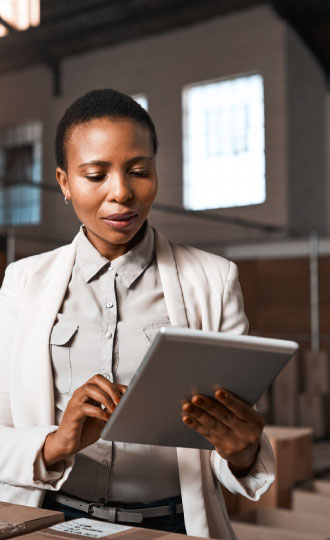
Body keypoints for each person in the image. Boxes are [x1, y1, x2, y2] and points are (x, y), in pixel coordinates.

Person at [0, 89, 274, 540]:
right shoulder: (24, 281)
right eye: (95, 174)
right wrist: (57, 443)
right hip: (53, 520)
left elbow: (230, 449)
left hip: (173, 525)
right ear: (64, 183)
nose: (122, 192)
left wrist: (242, 451)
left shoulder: (214, 279)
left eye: (139, 171)